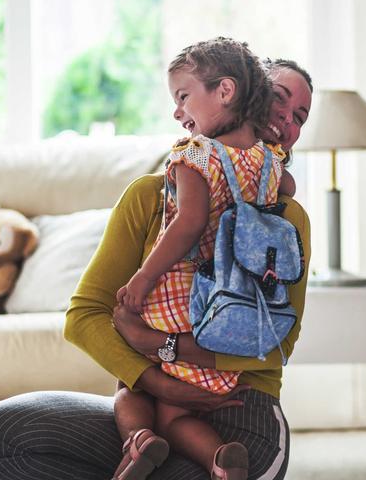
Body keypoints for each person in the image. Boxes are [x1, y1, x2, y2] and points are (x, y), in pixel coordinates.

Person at [0, 57, 314, 480]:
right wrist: (155, 380)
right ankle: (140, 446)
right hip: (153, 405)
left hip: (243, 414)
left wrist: (155, 341)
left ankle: (194, 458)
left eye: (299, 116)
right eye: (278, 98)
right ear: (242, 95)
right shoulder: (151, 195)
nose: (285, 118)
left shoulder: (285, 218)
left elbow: (274, 344)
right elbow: (84, 316)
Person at [111, 38, 285, 480]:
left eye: (183, 96)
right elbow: (288, 194)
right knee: (175, 409)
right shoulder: (267, 161)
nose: (177, 111)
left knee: (134, 386)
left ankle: (140, 441)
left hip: (178, 302)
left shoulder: (196, 156)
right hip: (232, 309)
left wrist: (142, 279)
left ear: (224, 91)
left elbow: (187, 224)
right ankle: (220, 458)